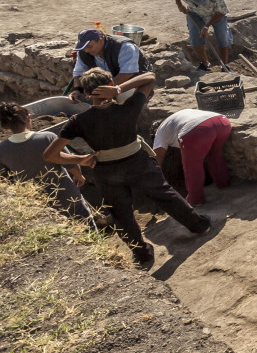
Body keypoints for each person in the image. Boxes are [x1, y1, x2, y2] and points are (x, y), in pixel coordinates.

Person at [44, 69, 210, 268]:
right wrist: (118, 88)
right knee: (165, 194)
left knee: (120, 214)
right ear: (109, 83)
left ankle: (142, 254)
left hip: (105, 171)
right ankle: (198, 225)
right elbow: (150, 77)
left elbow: (50, 155)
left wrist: (82, 159)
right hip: (137, 163)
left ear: (87, 94)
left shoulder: (78, 122)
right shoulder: (128, 107)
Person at [0, 101, 98, 222]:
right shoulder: (47, 138)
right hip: (66, 197)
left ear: (5, 125)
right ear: (28, 118)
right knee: (85, 225)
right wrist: (79, 175)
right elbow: (69, 163)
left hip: (36, 203)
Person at [152, 109, 232, 206]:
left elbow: (157, 157)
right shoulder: (176, 119)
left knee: (192, 166)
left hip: (197, 130)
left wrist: (152, 180)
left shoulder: (159, 132)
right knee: (215, 154)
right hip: (222, 122)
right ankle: (223, 183)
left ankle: (195, 200)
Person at [69, 28, 151, 98]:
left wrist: (108, 90)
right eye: (84, 48)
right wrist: (77, 90)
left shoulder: (124, 47)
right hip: (110, 83)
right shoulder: (83, 50)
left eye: (89, 47)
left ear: (100, 41)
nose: (86, 50)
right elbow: (78, 73)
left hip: (133, 82)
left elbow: (127, 73)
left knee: (124, 97)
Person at [169, 0, 231, 70]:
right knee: (195, 37)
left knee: (223, 36)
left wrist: (206, 26)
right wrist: (179, 3)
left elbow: (222, 12)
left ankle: (225, 65)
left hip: (215, 13)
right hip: (195, 13)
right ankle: (205, 64)